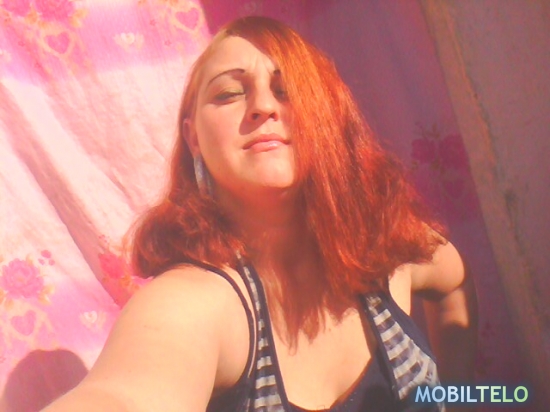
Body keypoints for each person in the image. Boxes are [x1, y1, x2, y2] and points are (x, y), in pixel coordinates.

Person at [43, 15, 477, 412]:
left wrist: (458, 397)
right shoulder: (192, 305)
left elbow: (454, 283)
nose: (263, 107)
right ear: (194, 138)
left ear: (328, 115)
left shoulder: (388, 251)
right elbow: (122, 395)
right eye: (229, 93)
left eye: (287, 91)